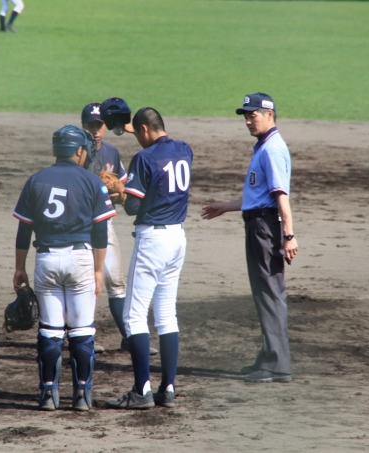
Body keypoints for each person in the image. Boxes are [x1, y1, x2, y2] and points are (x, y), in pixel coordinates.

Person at [12, 125, 116, 411]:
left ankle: (48, 394)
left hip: (46, 260)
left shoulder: (36, 180)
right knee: (82, 329)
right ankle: (82, 395)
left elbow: (24, 230)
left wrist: (19, 268)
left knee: (50, 331)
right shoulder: (92, 181)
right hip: (80, 260)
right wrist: (98, 270)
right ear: (79, 151)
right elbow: (100, 232)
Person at [201, 92, 298, 383]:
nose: (247, 120)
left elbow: (281, 198)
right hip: (259, 225)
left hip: (265, 229)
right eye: (245, 115)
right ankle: (269, 354)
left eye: (252, 115)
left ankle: (277, 364)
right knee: (265, 292)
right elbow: (257, 198)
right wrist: (226, 206)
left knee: (269, 294)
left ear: (269, 114)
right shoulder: (265, 147)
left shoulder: (272, 150)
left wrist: (289, 235)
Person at [106, 107, 193, 409]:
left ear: (143, 129)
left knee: (134, 316)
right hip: (177, 239)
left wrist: (120, 192)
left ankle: (141, 390)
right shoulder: (185, 150)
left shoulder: (144, 158)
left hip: (153, 241)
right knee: (166, 314)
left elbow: (132, 207)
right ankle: (167, 389)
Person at [80, 103, 158, 356]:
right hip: (79, 228)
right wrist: (104, 191)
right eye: (91, 125)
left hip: (104, 225)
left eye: (99, 125)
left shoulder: (111, 152)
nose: (95, 131)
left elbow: (123, 188)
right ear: (83, 126)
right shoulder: (75, 151)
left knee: (116, 282)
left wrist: (121, 193)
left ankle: (129, 336)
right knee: (85, 281)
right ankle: (84, 337)